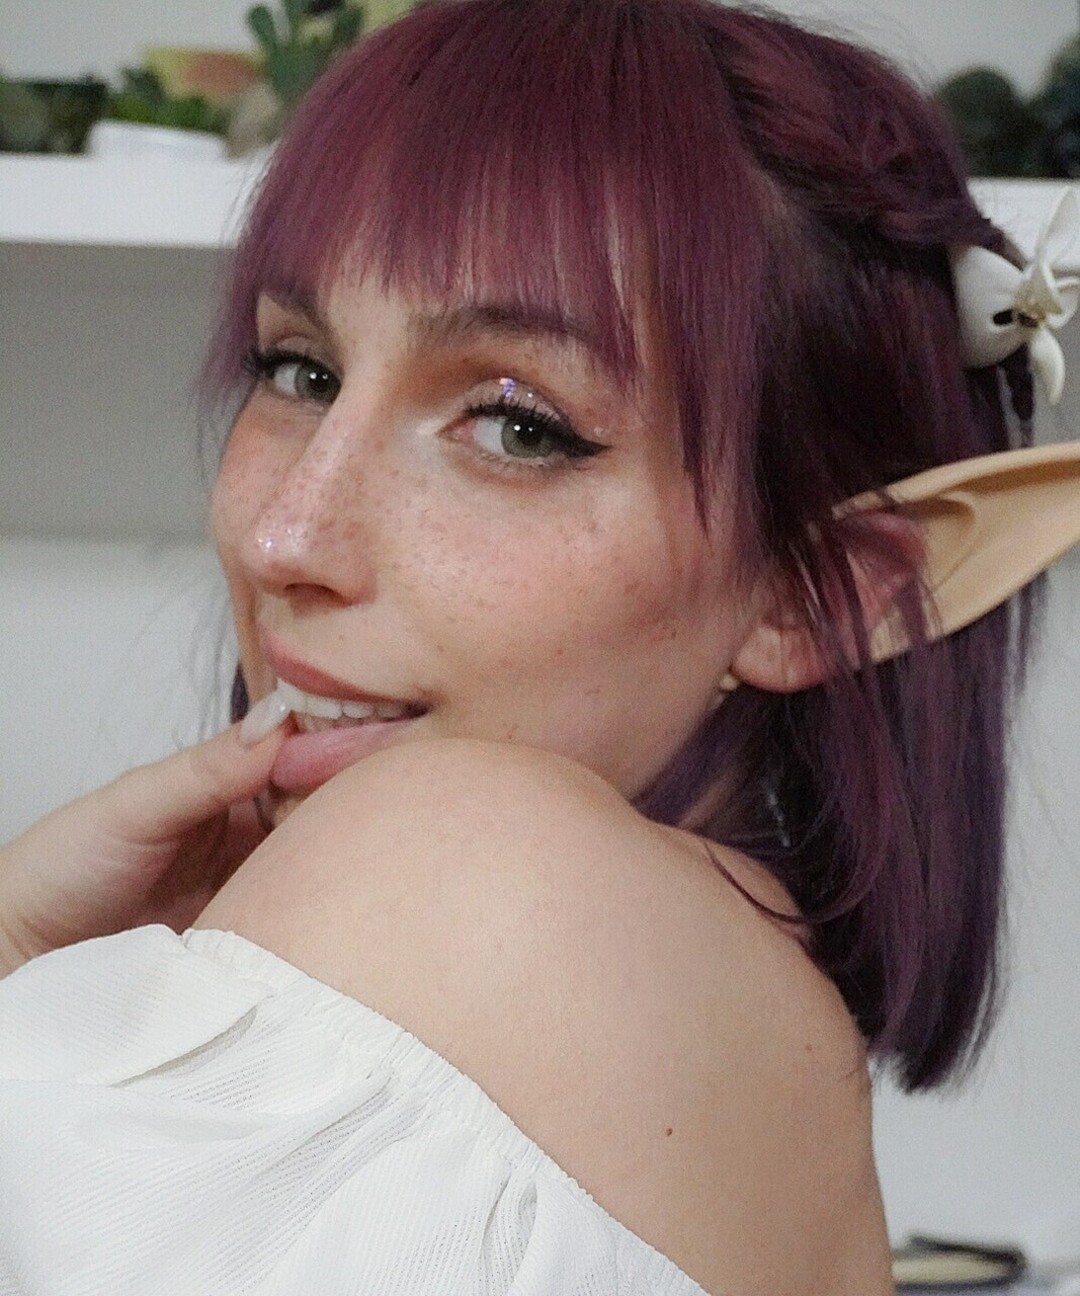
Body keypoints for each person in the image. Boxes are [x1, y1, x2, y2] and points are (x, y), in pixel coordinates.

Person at [2, 2, 1079, 1293]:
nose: (285, 536)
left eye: (518, 427)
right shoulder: (744, 1021)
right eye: (300, 372)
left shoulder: (481, 865)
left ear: (821, 594)